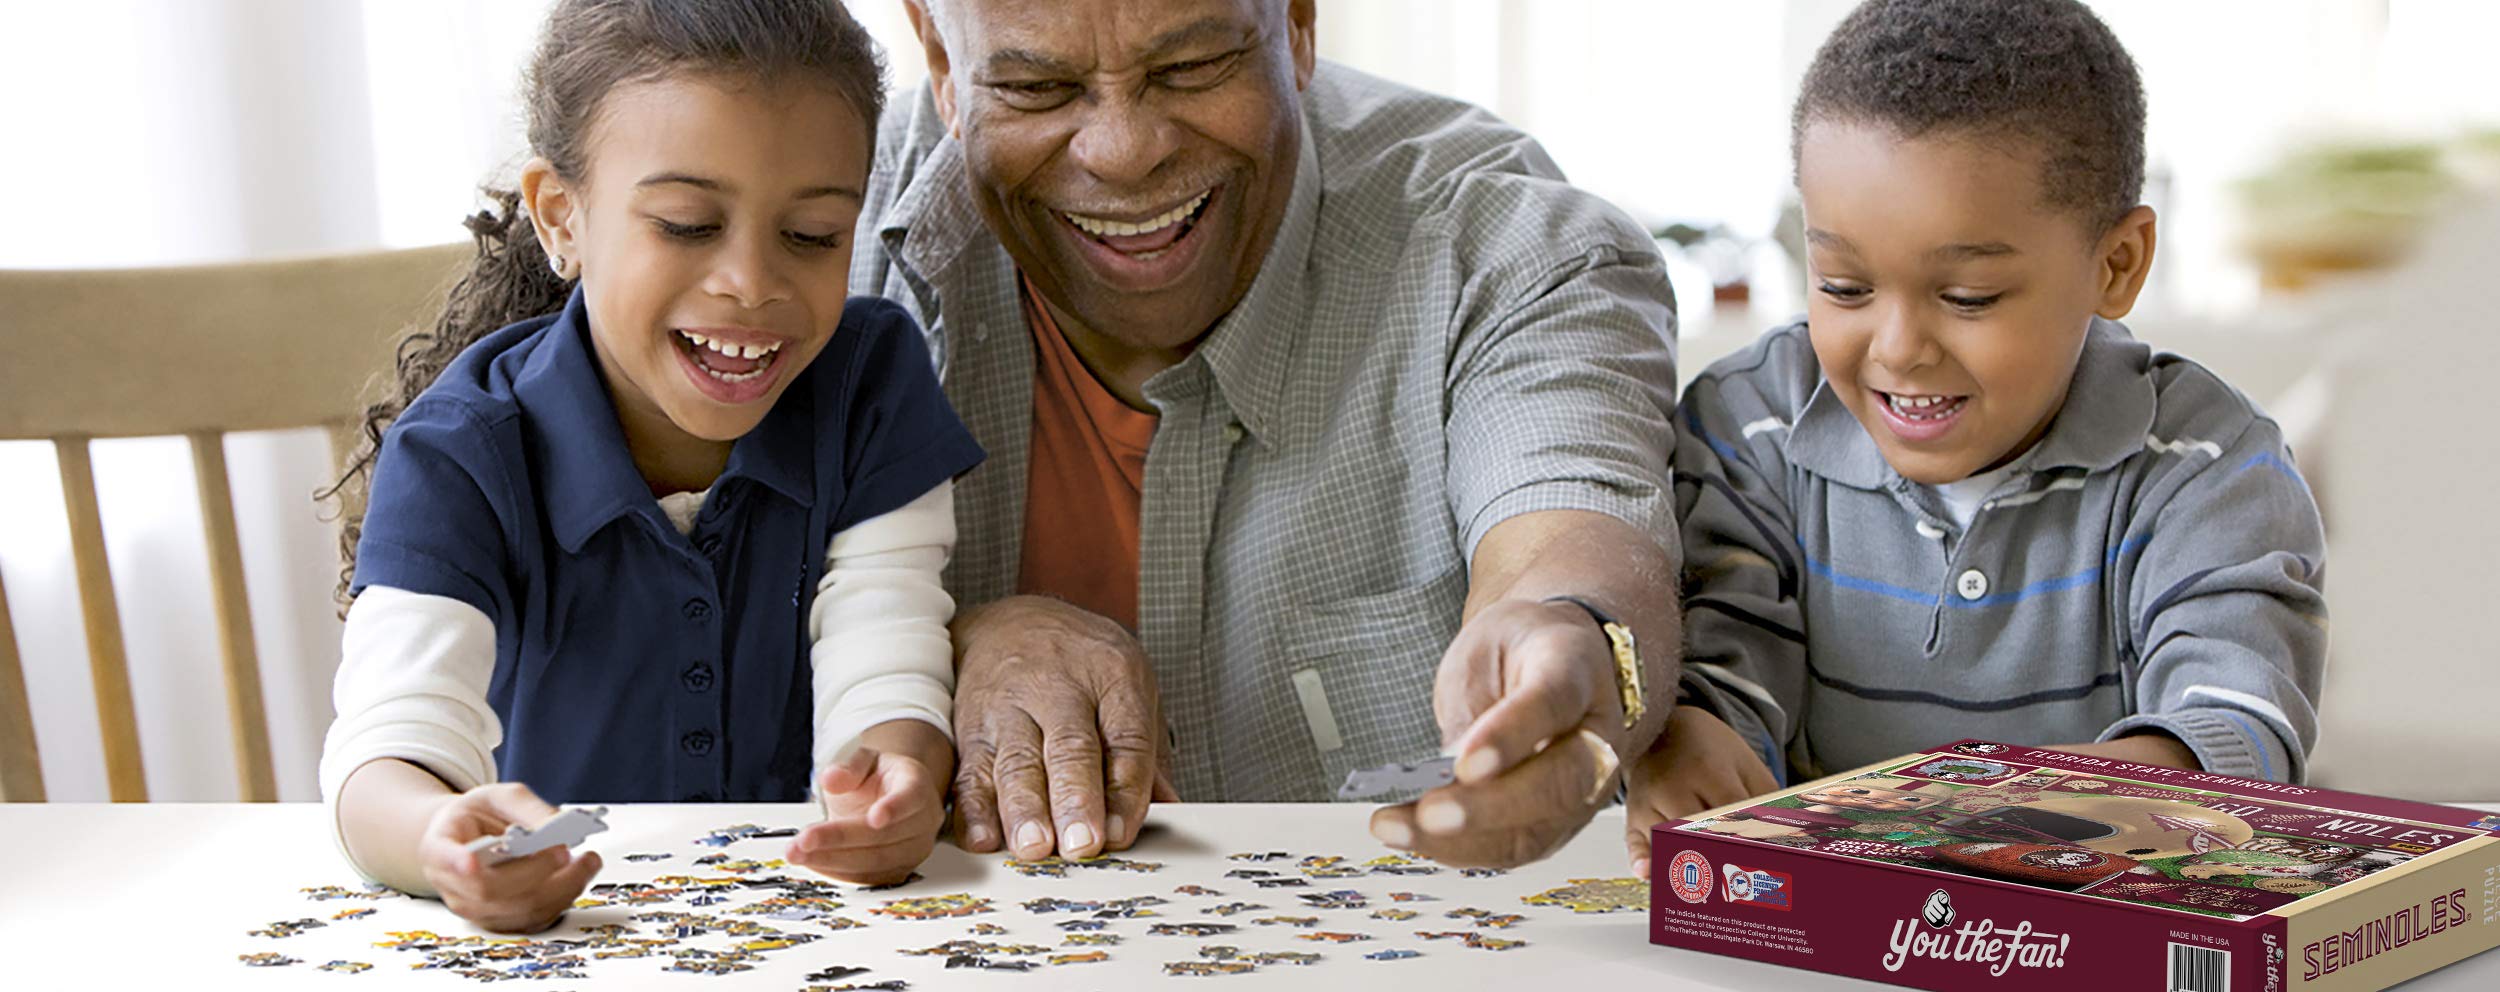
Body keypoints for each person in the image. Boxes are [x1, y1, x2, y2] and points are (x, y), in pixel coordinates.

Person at [857, 0, 1695, 869]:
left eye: (1191, 68)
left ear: (1297, 22)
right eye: (1036, 87)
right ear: (942, 61)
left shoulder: (1501, 243)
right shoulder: (800, 223)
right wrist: (933, 641)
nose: (1124, 150)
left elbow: (1568, 527)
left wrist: (1573, 638)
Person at [316, 0, 983, 932]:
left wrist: (895, 777)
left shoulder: (871, 385)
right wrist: (438, 836)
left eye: (813, 235)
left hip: (813, 929)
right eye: (684, 223)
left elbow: (886, 648)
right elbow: (386, 751)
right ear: (561, 217)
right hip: (565, 940)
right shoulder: (460, 452)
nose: (751, 281)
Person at [1627, 0, 2328, 873]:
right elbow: (1727, 649)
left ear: (2116, 265)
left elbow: (2233, 712)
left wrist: (2076, 809)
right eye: (1844, 286)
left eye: (1967, 298)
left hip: (2083, 922)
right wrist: (1688, 733)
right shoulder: (1749, 424)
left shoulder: (2207, 464)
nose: (1897, 349)